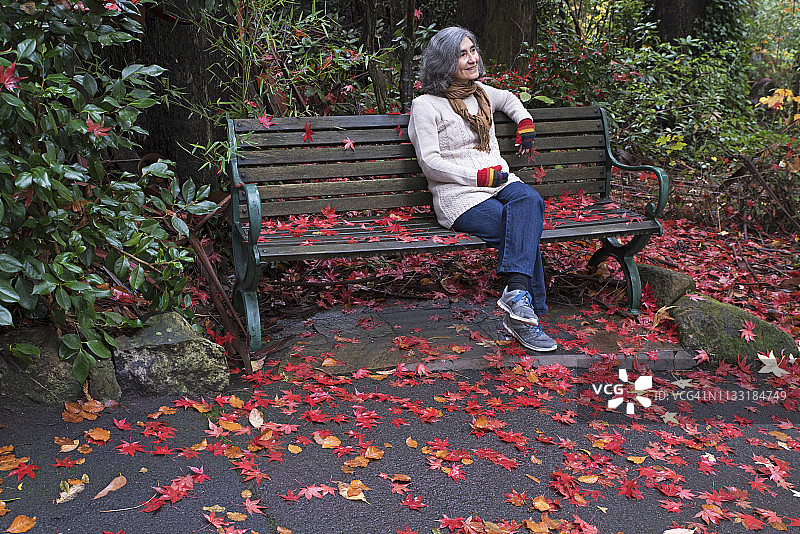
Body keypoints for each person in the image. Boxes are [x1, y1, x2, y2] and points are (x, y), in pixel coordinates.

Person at [408, 26, 557, 352]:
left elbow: (511, 99)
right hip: (458, 195)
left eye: (473, 49)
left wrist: (525, 120)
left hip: (500, 182)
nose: (472, 58)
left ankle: (517, 298)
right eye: (462, 53)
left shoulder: (483, 93)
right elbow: (430, 162)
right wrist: (476, 179)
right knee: (517, 227)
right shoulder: (426, 106)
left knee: (529, 200)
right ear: (444, 62)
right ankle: (527, 314)